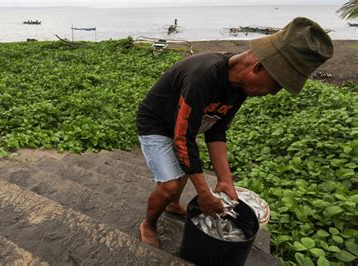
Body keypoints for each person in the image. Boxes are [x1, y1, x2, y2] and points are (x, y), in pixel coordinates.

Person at [136, 17, 333, 247]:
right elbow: (183, 139)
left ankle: (171, 204)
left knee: (182, 171)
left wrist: (225, 180)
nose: (273, 94)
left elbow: (216, 130)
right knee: (171, 184)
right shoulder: (203, 76)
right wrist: (204, 194)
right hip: (157, 124)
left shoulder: (240, 87)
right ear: (258, 67)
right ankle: (148, 224)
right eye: (276, 85)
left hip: (186, 125)